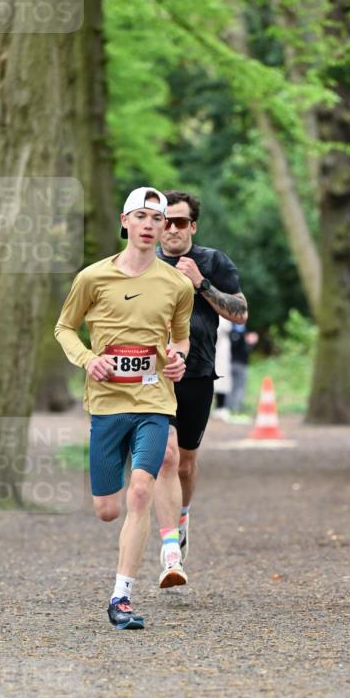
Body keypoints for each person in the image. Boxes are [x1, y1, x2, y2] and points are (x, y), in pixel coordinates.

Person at [54, 187, 194, 630]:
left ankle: (121, 598)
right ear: (125, 222)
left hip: (154, 400)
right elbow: (64, 328)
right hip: (107, 404)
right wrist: (89, 359)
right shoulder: (92, 278)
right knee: (107, 508)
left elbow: (181, 337)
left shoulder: (176, 284)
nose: (152, 224)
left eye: (159, 217)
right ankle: (127, 569)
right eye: (143, 216)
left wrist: (178, 358)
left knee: (140, 492)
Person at [153, 191, 248, 568]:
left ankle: (182, 515)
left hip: (198, 373)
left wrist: (202, 283)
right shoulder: (144, 264)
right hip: (155, 376)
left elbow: (240, 313)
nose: (172, 229)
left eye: (180, 222)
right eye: (165, 221)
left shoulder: (212, 261)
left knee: (186, 463)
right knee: (165, 457)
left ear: (192, 226)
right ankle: (170, 548)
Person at [228, 322, 259, 415]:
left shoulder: (230, 331)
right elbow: (246, 350)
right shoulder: (243, 332)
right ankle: (236, 409)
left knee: (230, 386)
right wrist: (251, 343)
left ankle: (228, 408)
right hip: (241, 364)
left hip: (230, 362)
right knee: (240, 387)